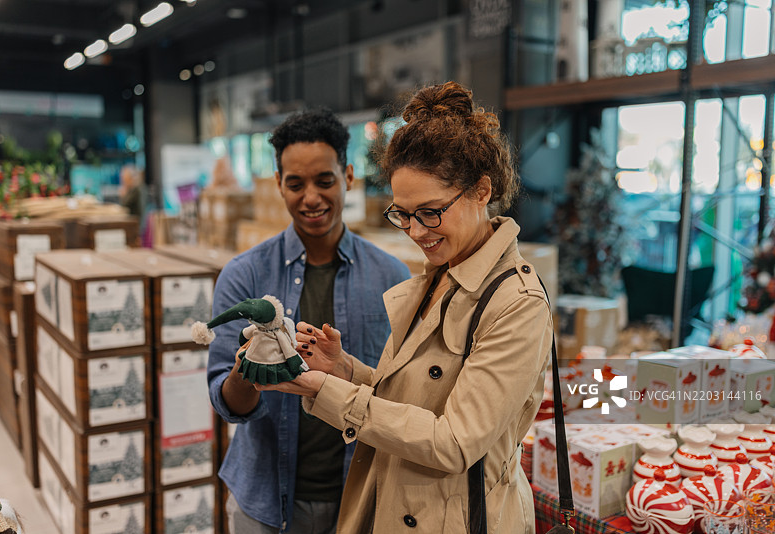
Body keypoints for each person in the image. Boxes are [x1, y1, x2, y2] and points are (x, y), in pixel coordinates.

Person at [259, 82, 554, 533]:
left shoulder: (518, 304)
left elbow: (455, 441)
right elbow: (412, 401)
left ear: (481, 190)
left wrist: (325, 392)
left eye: (431, 212)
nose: (416, 231)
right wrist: (345, 371)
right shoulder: (437, 276)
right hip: (394, 503)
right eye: (402, 214)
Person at [207, 108, 410, 534]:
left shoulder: (392, 278)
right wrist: (248, 369)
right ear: (279, 184)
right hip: (264, 502)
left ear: (348, 176)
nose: (311, 198)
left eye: (325, 181)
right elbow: (229, 404)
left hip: (361, 500)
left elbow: (400, 394)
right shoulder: (245, 276)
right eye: (295, 184)